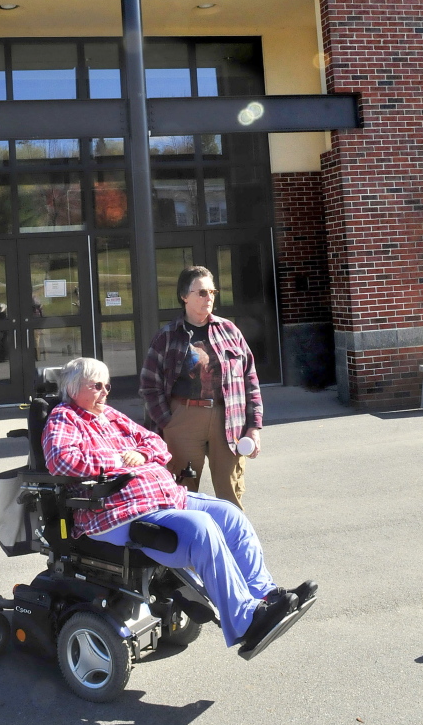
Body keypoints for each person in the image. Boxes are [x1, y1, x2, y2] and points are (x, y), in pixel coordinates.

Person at [42, 357, 316, 653]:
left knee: (230, 515)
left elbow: (156, 443)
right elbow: (61, 460)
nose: (105, 391)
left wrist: (142, 455)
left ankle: (266, 596)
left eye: (107, 385)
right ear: (73, 388)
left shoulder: (110, 415)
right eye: (97, 386)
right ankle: (246, 620)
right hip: (117, 511)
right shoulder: (64, 418)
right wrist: (120, 460)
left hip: (163, 496)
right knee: (202, 529)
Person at [140, 265, 261, 509]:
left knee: (231, 492)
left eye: (212, 292)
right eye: (202, 293)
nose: (209, 298)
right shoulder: (167, 336)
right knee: (181, 493)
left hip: (227, 418)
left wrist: (254, 427)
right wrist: (168, 421)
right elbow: (149, 385)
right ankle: (187, 545)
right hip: (183, 418)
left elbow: (250, 379)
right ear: (184, 296)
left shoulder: (229, 330)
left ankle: (231, 543)